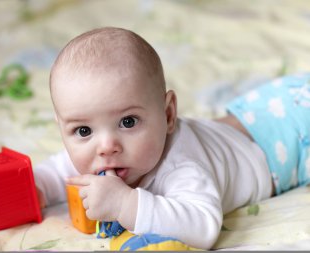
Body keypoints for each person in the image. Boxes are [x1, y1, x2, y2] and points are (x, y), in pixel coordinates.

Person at [33, 26, 310, 249]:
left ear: (167, 115)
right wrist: (38, 185)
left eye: (128, 122)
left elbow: (202, 227)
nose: (106, 147)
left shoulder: (183, 167)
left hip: (287, 146)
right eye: (84, 131)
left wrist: (125, 204)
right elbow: (62, 169)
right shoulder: (106, 156)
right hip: (248, 119)